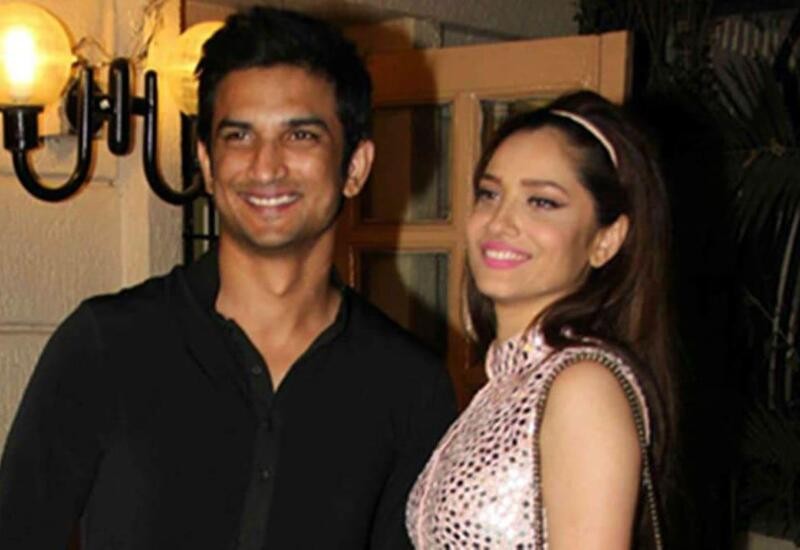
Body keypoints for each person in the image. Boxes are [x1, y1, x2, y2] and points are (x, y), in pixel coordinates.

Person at [0, 7, 456, 549]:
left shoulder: (409, 386)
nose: (265, 167)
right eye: (239, 136)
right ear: (207, 164)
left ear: (355, 167)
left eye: (300, 136)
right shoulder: (106, 345)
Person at [406, 91, 675, 549]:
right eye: (490, 194)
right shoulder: (508, 383)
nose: (500, 222)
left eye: (542, 202)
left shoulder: (582, 386)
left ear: (607, 240)